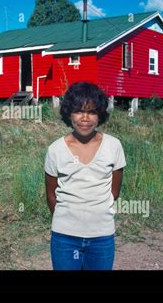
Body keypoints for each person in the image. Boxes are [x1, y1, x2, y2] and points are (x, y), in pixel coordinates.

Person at [44, 82, 126, 270]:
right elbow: (51, 195)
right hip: (64, 238)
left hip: (102, 237)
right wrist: (69, 222)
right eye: (79, 111)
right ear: (69, 114)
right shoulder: (55, 149)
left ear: (100, 116)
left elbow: (114, 192)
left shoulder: (114, 146)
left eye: (91, 112)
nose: (85, 118)